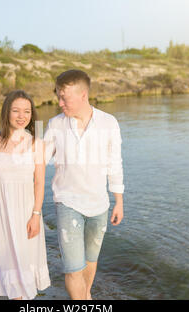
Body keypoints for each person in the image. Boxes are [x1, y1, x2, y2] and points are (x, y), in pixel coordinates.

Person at [43, 69, 125, 300]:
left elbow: (115, 163)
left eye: (64, 98)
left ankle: (86, 297)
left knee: (90, 261)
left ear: (83, 95)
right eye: (58, 96)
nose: (59, 103)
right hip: (67, 202)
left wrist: (118, 200)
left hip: (99, 205)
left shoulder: (109, 123)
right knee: (72, 267)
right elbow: (39, 160)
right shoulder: (56, 125)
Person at [0, 90, 51, 300]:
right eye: (16, 110)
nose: (21, 116)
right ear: (6, 112)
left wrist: (36, 215)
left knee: (24, 267)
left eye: (26, 111)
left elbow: (39, 182)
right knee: (7, 265)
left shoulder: (37, 144)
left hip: (26, 215)